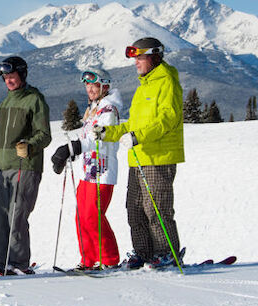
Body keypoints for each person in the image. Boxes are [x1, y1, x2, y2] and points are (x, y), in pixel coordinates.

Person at [93, 37, 184, 269]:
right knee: (134, 209)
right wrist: (108, 132)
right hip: (138, 157)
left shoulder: (166, 81)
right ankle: (144, 253)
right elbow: (132, 125)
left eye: (140, 57)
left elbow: (168, 119)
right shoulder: (144, 85)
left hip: (158, 156)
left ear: (154, 56)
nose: (136, 62)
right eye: (135, 58)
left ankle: (167, 253)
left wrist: (137, 137)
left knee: (157, 209)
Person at [0, 56, 51, 275]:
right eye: (5, 77)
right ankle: (0, 263)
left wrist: (29, 146)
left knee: (17, 215)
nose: (8, 80)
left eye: (11, 76)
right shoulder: (7, 101)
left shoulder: (34, 99)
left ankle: (19, 264)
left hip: (26, 165)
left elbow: (45, 135)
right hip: (4, 167)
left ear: (22, 74)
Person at [51, 68, 122, 270]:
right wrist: (73, 152)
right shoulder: (94, 108)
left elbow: (96, 138)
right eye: (87, 85)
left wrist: (72, 148)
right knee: (82, 217)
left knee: (93, 216)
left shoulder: (108, 110)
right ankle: (89, 260)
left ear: (104, 86)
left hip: (102, 171)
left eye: (94, 84)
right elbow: (86, 137)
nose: (89, 88)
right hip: (88, 171)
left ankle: (109, 260)